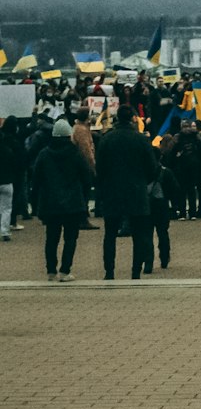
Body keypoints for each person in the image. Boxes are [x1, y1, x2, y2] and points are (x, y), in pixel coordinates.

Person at [95, 105, 157, 280]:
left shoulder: (107, 139)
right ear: (132, 119)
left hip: (112, 191)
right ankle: (135, 271)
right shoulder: (141, 140)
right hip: (136, 190)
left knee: (110, 234)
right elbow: (152, 168)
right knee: (139, 234)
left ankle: (109, 271)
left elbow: (99, 167)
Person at [31, 117, 93, 282]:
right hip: (72, 203)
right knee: (70, 238)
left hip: (50, 203)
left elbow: (36, 179)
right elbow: (87, 178)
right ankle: (65, 270)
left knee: (51, 237)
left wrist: (35, 201)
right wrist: (84, 197)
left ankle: (51, 270)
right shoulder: (75, 154)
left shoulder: (44, 154)